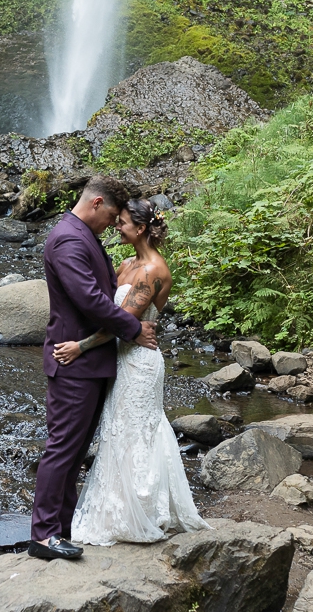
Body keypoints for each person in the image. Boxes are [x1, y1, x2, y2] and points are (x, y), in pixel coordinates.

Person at [55, 198, 210, 546]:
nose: (116, 226)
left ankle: (143, 510)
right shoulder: (125, 264)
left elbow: (122, 323)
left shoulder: (154, 271)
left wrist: (79, 347)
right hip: (119, 359)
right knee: (115, 432)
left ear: (140, 229)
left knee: (136, 432)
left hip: (139, 363)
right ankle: (113, 509)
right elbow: (102, 307)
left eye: (122, 222)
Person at [30, 176, 158, 561]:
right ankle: (44, 536)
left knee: (74, 451)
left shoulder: (81, 234)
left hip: (90, 362)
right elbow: (89, 300)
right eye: (112, 216)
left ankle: (60, 530)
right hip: (74, 363)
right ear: (97, 202)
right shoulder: (69, 238)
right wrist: (133, 328)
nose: (113, 225)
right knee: (62, 450)